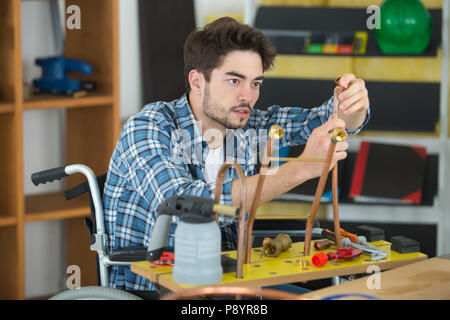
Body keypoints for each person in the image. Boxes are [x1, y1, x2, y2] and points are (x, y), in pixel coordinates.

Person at [103, 17, 370, 291]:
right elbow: (186, 206)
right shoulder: (149, 126)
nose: (248, 96)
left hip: (231, 282)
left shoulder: (246, 124)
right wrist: (303, 167)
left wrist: (350, 104)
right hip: (162, 290)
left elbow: (320, 120)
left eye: (255, 83)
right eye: (234, 81)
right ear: (197, 81)